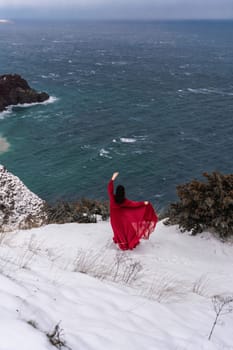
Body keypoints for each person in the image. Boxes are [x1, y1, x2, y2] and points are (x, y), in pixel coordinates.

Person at [108, 172, 158, 250]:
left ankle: (122, 245)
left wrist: (112, 179)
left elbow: (109, 189)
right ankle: (126, 245)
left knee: (117, 232)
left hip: (114, 220)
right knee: (124, 232)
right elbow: (135, 204)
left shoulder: (112, 199)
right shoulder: (125, 201)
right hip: (122, 220)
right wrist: (144, 203)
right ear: (123, 193)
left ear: (116, 192)